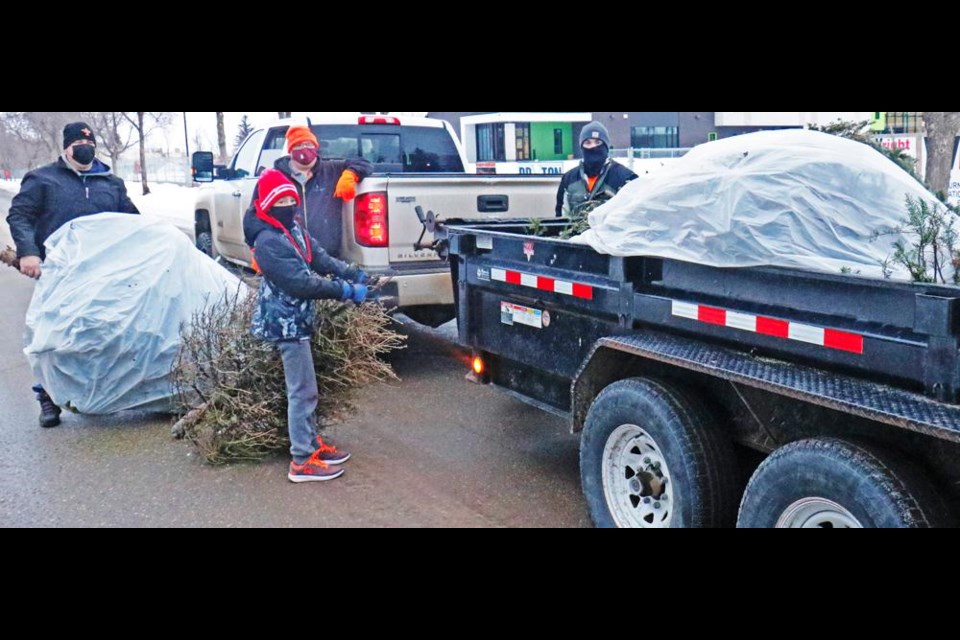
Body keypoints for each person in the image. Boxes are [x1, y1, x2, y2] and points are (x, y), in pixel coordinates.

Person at [6, 121, 139, 428]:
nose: (85, 148)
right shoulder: (42, 180)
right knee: (53, 338)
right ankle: (48, 398)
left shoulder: (110, 182)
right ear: (65, 148)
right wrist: (28, 252)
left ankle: (113, 391)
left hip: (103, 273)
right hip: (59, 274)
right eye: (78, 144)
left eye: (90, 144)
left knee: (108, 334)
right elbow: (20, 216)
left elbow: (132, 221)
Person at [246, 169, 370, 483]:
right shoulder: (268, 242)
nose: (288, 204)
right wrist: (343, 291)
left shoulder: (293, 229)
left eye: (291, 198)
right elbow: (301, 283)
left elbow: (320, 258)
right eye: (280, 200)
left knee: (307, 389)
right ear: (266, 205)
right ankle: (301, 460)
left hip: (297, 319)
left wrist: (352, 273)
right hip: (285, 323)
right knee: (301, 391)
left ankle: (312, 445)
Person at [245, 125, 373, 258]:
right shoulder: (274, 177)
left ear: (316, 146)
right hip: (287, 255)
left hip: (327, 257)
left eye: (308, 144)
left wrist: (350, 174)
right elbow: (254, 215)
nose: (304, 149)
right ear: (290, 150)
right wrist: (255, 248)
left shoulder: (332, 170)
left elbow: (364, 163)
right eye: (298, 145)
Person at [555, 121, 638, 218]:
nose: (593, 147)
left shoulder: (625, 177)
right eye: (588, 142)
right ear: (582, 147)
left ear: (606, 146)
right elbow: (561, 217)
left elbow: (634, 216)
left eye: (598, 142)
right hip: (577, 232)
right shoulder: (569, 179)